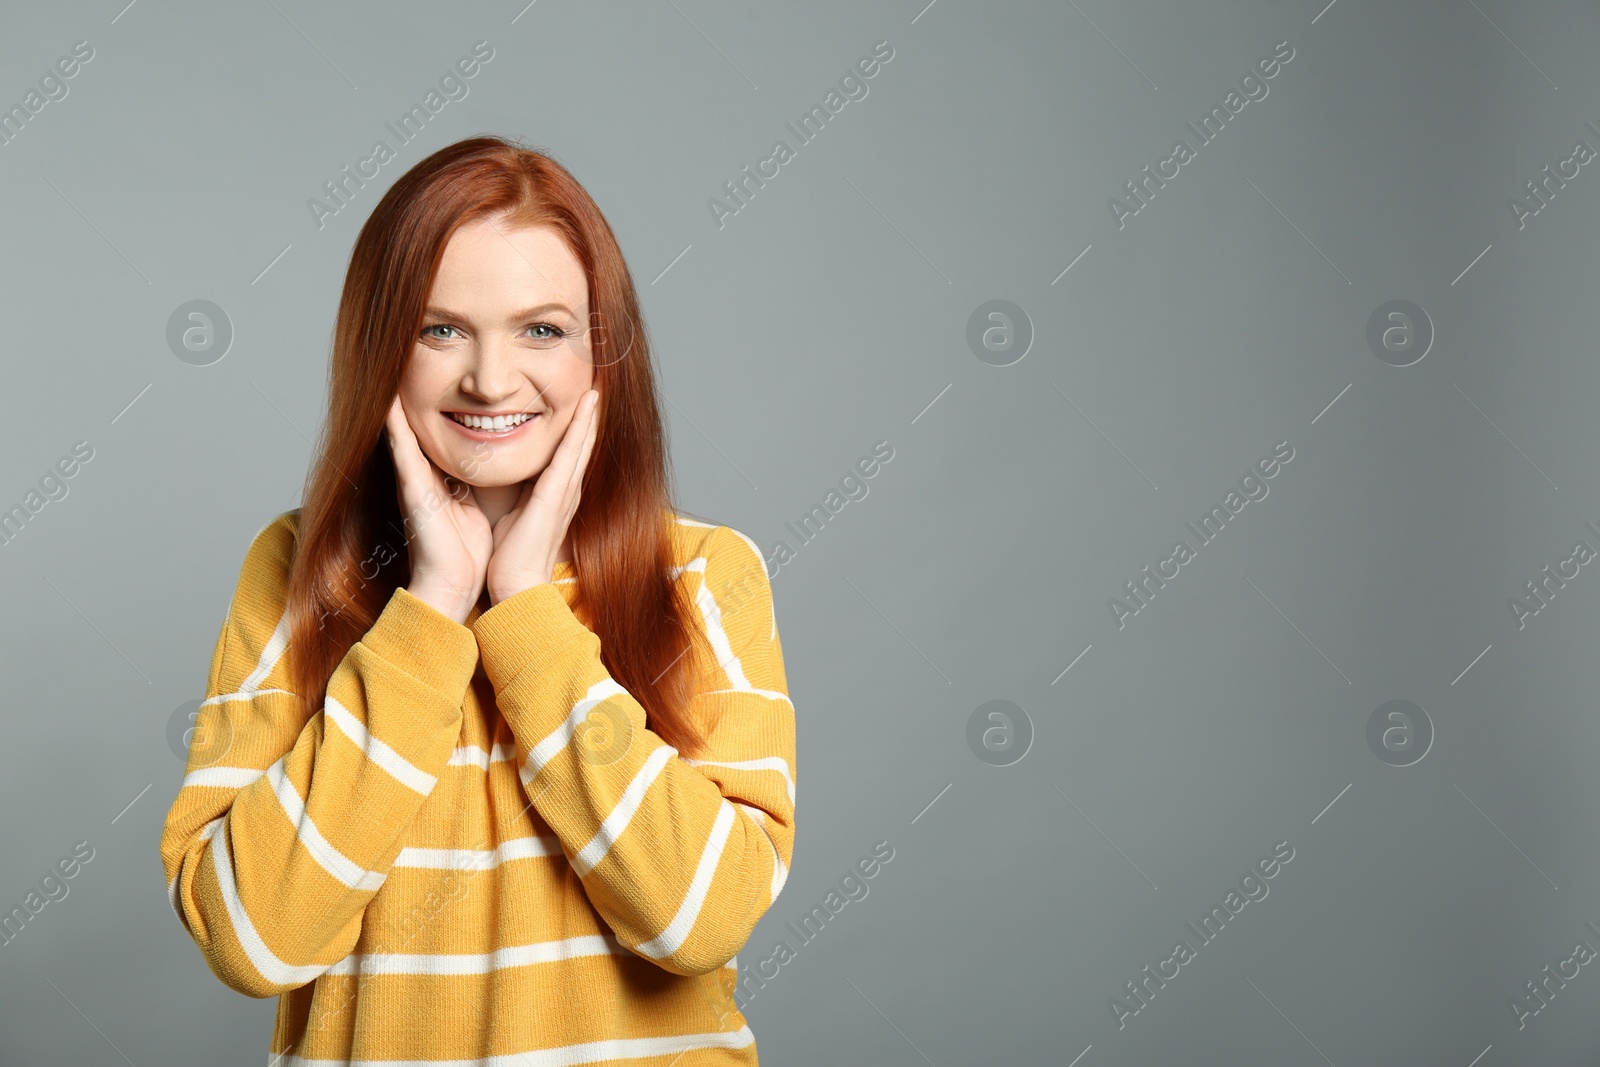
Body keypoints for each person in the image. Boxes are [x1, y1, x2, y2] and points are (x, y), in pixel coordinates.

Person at [158, 136, 796, 1065]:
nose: (491, 380)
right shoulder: (299, 567)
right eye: (439, 328)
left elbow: (701, 920)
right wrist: (432, 607)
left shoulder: (704, 574)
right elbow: (255, 939)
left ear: (600, 352)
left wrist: (526, 611)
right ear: (379, 348)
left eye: (542, 329)